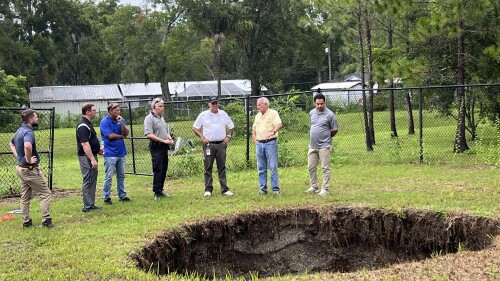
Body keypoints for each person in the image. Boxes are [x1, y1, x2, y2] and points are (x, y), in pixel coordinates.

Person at [9, 109, 54, 228]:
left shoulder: (19, 130)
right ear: (30, 120)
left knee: (25, 196)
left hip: (20, 168)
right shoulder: (28, 132)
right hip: (29, 169)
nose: (37, 118)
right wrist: (28, 159)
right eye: (36, 117)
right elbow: (27, 146)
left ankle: (26, 222)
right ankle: (46, 221)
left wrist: (19, 156)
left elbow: (11, 144)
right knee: (45, 193)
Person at [193, 96, 235, 197]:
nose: (215, 105)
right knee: (208, 167)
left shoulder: (223, 114)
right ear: (209, 105)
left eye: (216, 103)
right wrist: (203, 138)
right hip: (209, 145)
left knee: (222, 166)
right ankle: (208, 189)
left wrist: (228, 137)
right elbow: (195, 128)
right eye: (213, 104)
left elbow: (231, 126)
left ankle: (224, 189)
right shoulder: (203, 115)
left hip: (221, 144)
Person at [305, 93, 338, 196]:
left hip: (324, 146)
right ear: (314, 103)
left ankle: (325, 189)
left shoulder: (330, 115)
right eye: (318, 104)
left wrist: (326, 138)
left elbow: (335, 130)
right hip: (312, 145)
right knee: (311, 167)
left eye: (321, 104)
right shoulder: (312, 113)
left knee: (325, 168)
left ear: (324, 103)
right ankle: (314, 186)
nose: (320, 106)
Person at [144, 98, 175, 200]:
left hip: (164, 146)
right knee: (158, 169)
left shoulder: (161, 118)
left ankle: (161, 190)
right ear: (154, 107)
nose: (162, 108)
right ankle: (156, 192)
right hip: (156, 146)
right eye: (160, 106)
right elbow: (149, 134)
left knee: (164, 169)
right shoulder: (149, 118)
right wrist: (163, 140)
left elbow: (165, 130)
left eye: (163, 106)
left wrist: (169, 138)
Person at [100, 102, 130, 204]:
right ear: (110, 111)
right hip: (110, 153)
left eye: (119, 110)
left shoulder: (121, 120)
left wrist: (121, 123)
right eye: (116, 110)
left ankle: (122, 195)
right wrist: (121, 136)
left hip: (121, 152)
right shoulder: (104, 122)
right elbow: (110, 136)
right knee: (109, 176)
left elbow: (126, 133)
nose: (118, 112)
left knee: (121, 175)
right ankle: (106, 197)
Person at [252, 97, 283, 195]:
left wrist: (273, 131)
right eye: (257, 105)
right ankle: (263, 189)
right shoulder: (257, 116)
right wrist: (255, 139)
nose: (258, 107)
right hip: (259, 144)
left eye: (260, 105)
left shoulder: (273, 113)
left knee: (273, 166)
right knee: (261, 167)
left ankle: (275, 189)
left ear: (266, 104)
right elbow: (254, 128)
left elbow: (279, 124)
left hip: (270, 143)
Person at [77, 103, 103, 212]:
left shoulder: (88, 124)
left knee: (92, 180)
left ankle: (91, 204)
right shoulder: (83, 125)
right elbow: (85, 144)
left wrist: (97, 150)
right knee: (88, 179)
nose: (95, 112)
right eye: (93, 110)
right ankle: (87, 206)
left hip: (92, 155)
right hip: (87, 157)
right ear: (87, 111)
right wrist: (92, 159)